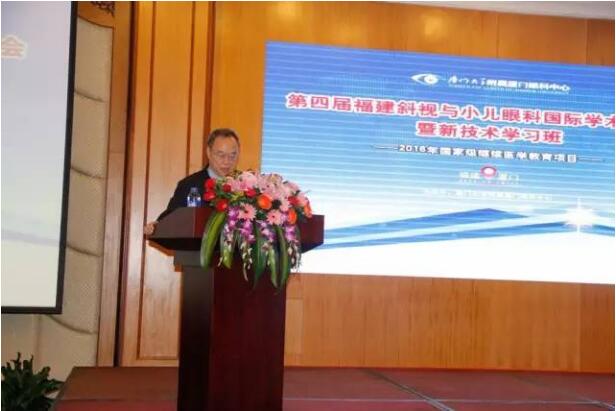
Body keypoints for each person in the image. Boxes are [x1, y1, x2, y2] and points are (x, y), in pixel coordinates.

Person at [143, 128, 240, 235]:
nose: (226, 161)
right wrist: (156, 227)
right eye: (221, 155)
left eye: (232, 155)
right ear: (208, 152)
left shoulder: (245, 187)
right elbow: (172, 216)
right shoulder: (190, 185)